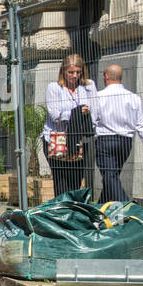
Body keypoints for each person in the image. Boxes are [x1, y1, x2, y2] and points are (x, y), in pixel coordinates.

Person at [91, 64, 143, 203]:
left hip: (105, 140)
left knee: (110, 177)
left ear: (106, 76)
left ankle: (127, 206)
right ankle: (99, 211)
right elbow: (142, 123)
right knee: (112, 177)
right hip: (125, 141)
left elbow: (92, 120)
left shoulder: (98, 97)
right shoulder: (133, 97)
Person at [44, 54, 98, 196]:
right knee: (61, 180)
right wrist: (77, 112)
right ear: (63, 71)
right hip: (58, 139)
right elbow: (55, 115)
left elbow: (96, 112)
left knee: (76, 180)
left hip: (80, 141)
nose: (74, 76)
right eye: (71, 72)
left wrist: (87, 112)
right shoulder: (54, 88)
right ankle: (61, 211)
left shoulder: (88, 87)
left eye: (78, 72)